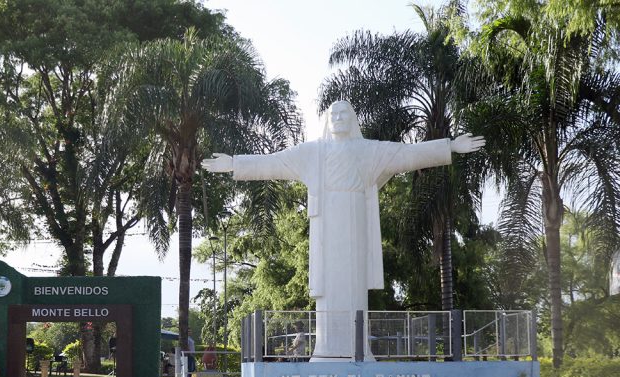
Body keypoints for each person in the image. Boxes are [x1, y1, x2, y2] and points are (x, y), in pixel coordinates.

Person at [203, 100, 485, 361]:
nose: (338, 118)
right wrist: (234, 163)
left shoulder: (369, 150)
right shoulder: (312, 152)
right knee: (329, 285)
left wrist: (449, 146)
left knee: (354, 284)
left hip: (356, 220)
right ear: (327, 120)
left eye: (344, 114)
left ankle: (357, 350)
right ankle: (326, 351)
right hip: (326, 224)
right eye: (333, 114)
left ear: (352, 120)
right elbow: (274, 162)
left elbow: (407, 153)